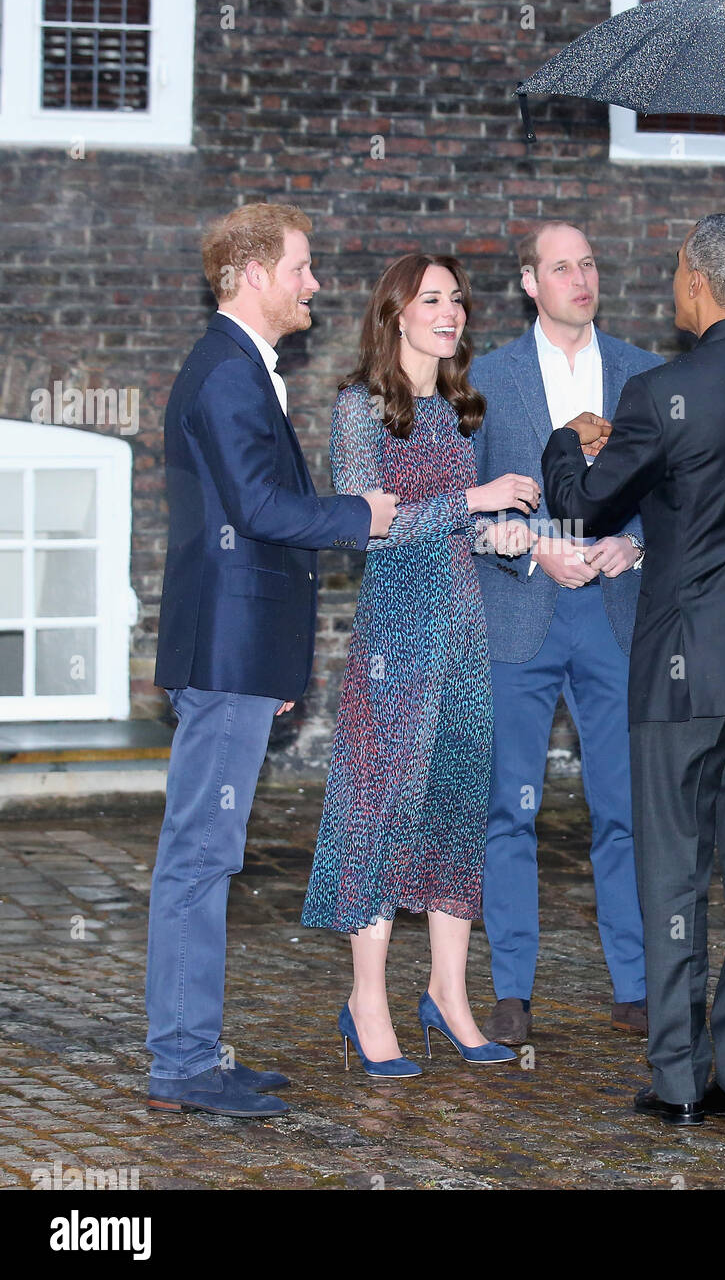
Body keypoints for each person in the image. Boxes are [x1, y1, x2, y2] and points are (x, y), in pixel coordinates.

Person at [542, 214, 725, 1127]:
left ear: (702, 288)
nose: (673, 286)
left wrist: (570, 440)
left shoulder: (658, 393)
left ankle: (677, 1082)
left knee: (673, 873)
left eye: (678, 273)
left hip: (678, 669)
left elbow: (588, 509)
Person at [148, 203, 397, 1118]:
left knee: (207, 856)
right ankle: (179, 1064)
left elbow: (245, 519)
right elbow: (258, 509)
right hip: (225, 650)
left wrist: (275, 661)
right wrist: (361, 513)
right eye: (303, 267)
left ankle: (192, 1053)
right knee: (199, 858)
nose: (315, 285)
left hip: (237, 651)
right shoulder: (226, 372)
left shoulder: (240, 369)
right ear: (253, 274)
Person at [302, 253, 536, 1076]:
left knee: (454, 814)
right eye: (431, 299)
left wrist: (502, 536)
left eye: (458, 299)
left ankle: (448, 993)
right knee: (380, 812)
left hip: (464, 637)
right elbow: (371, 526)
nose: (450, 311)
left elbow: (453, 531)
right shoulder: (363, 409)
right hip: (396, 642)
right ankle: (367, 1003)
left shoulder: (460, 411)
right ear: (396, 313)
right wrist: (476, 501)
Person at [468, 220, 661, 1046]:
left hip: (615, 615)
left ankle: (638, 984)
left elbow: (675, 496)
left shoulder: (646, 376)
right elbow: (459, 511)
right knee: (510, 809)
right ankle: (511, 988)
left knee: (623, 807)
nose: (580, 278)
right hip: (521, 613)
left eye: (589, 263)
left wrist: (636, 544)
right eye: (561, 266)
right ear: (528, 282)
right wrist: (531, 549)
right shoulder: (483, 378)